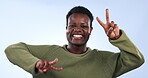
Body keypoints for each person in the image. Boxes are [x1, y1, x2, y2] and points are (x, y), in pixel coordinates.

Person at [5, 6, 144, 78]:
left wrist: (117, 38)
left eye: (83, 26)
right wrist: (35, 64)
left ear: (91, 30)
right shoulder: (48, 53)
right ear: (66, 29)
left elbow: (136, 60)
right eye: (72, 25)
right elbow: (12, 49)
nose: (77, 29)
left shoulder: (105, 60)